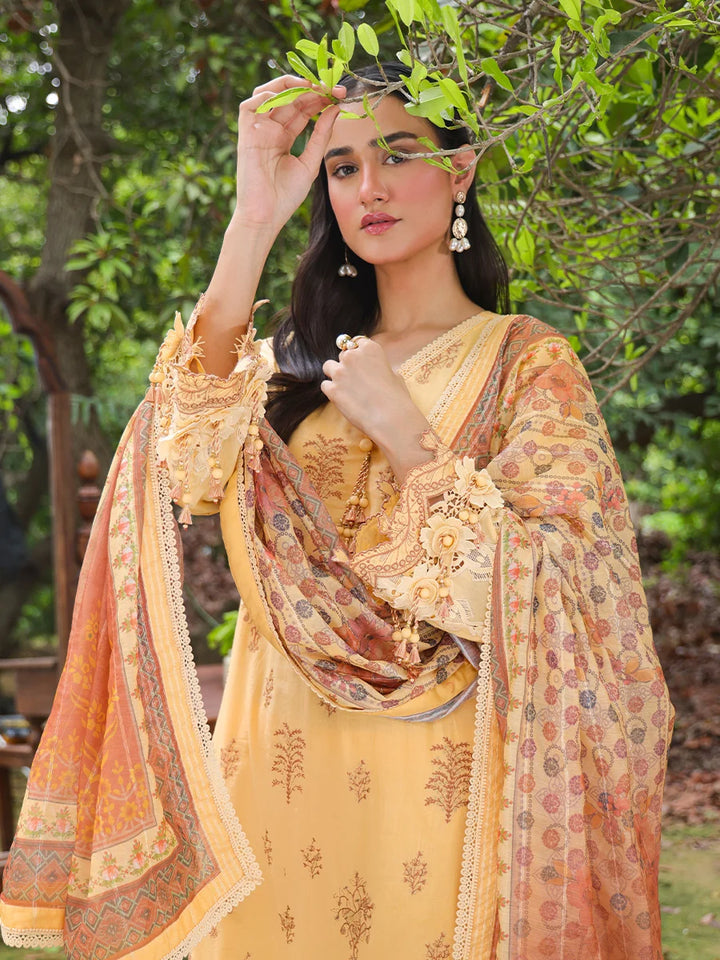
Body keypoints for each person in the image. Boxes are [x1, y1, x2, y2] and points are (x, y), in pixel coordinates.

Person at [0, 64, 672, 960]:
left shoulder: (526, 363)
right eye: (344, 168)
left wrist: (408, 437)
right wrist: (253, 219)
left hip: (435, 772)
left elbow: (571, 597)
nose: (370, 187)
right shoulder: (290, 368)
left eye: (398, 155)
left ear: (461, 168)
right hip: (273, 744)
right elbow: (181, 465)